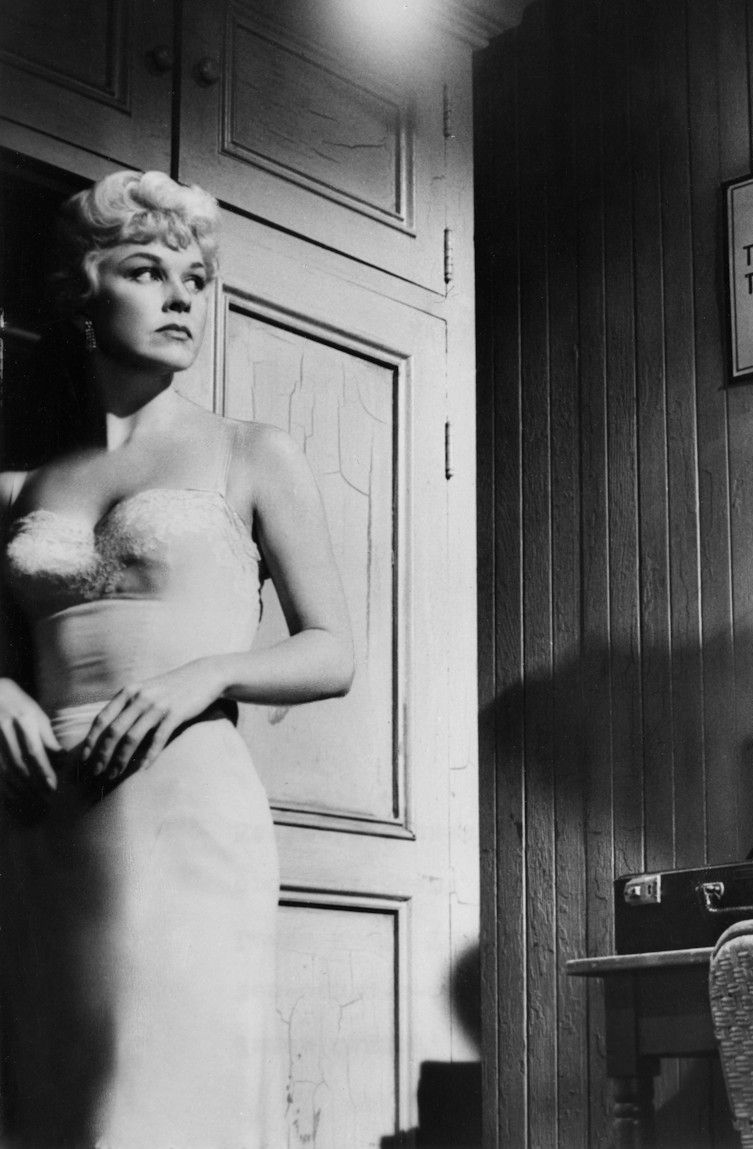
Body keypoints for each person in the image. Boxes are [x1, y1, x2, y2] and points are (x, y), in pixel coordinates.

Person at [0, 170, 354, 1146]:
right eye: (147, 271)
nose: (180, 297)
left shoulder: (252, 452)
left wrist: (207, 674)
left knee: (168, 1103)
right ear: (85, 293)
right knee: (58, 1111)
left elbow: (333, 652)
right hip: (39, 820)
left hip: (186, 806)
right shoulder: (22, 486)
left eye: (194, 279)